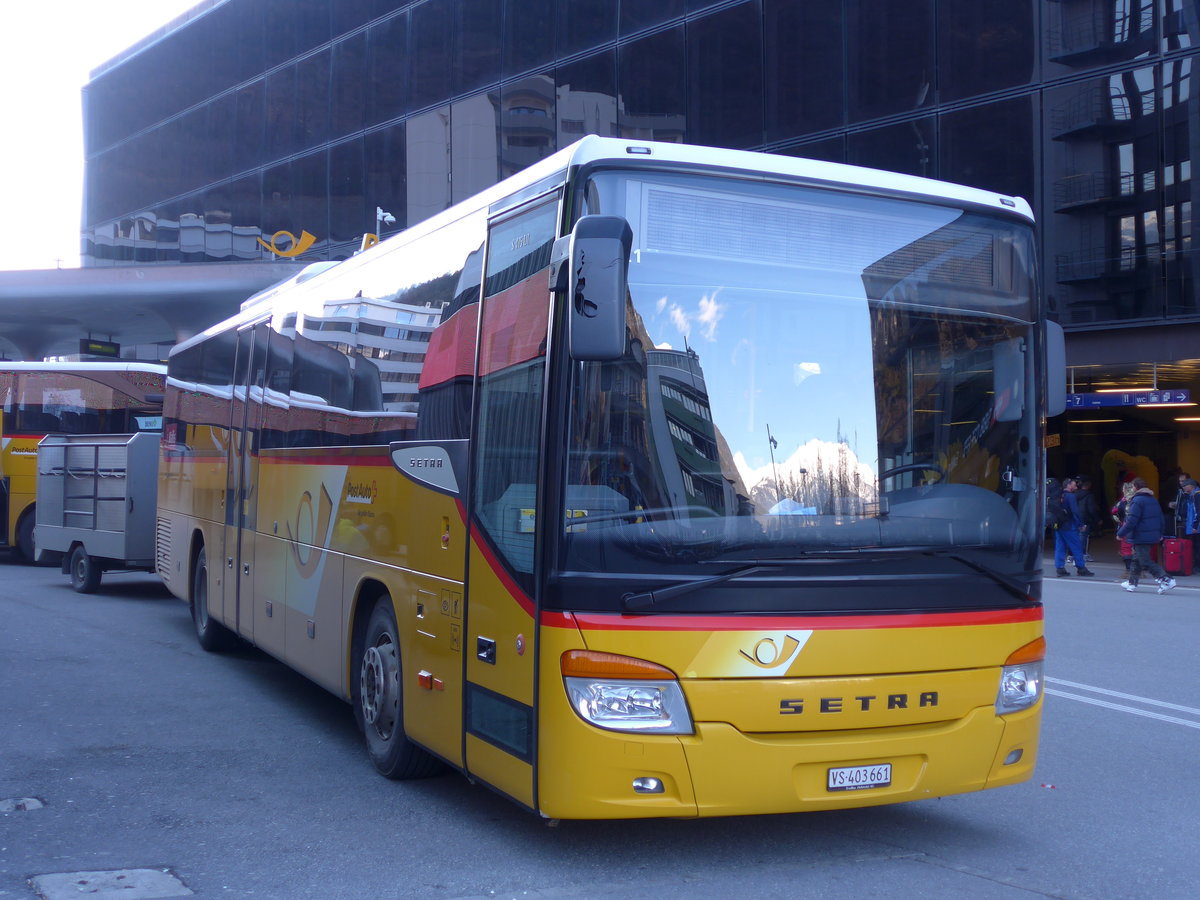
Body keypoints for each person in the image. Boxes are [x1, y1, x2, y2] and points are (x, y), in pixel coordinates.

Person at [1116, 476, 1176, 594]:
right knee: (1136, 559)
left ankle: (1166, 579)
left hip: (1141, 535)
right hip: (1151, 534)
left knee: (1144, 561)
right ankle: (1132, 582)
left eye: (1132, 486)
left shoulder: (1137, 501)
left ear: (1135, 487)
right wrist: (1160, 533)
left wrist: (1120, 533)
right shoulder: (1153, 499)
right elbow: (1160, 518)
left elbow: (1132, 520)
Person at [1053, 477, 1096, 577]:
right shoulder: (1071, 496)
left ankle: (1060, 568)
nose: (1075, 486)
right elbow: (1075, 512)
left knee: (1060, 547)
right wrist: (1080, 524)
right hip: (1069, 526)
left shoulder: (1058, 495)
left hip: (1058, 525)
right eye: (1073, 484)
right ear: (1068, 485)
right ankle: (1081, 568)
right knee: (1076, 547)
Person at [1111, 481, 1137, 573]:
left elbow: (1114, 511)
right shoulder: (1138, 499)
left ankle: (1129, 568)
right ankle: (1138, 569)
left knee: (1126, 547)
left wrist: (1119, 520)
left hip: (1125, 525)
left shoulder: (1123, 500)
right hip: (1137, 526)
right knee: (1137, 547)